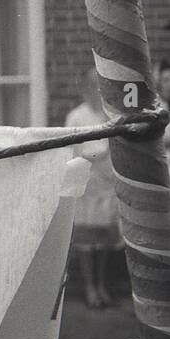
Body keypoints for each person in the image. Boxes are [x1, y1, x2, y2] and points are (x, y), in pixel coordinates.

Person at [65, 69, 123, 308]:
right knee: (87, 241)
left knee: (103, 240)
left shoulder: (111, 115)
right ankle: (90, 287)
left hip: (106, 183)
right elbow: (72, 149)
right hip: (87, 184)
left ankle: (101, 284)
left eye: (101, 87)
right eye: (92, 86)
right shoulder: (76, 117)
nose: (97, 92)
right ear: (85, 88)